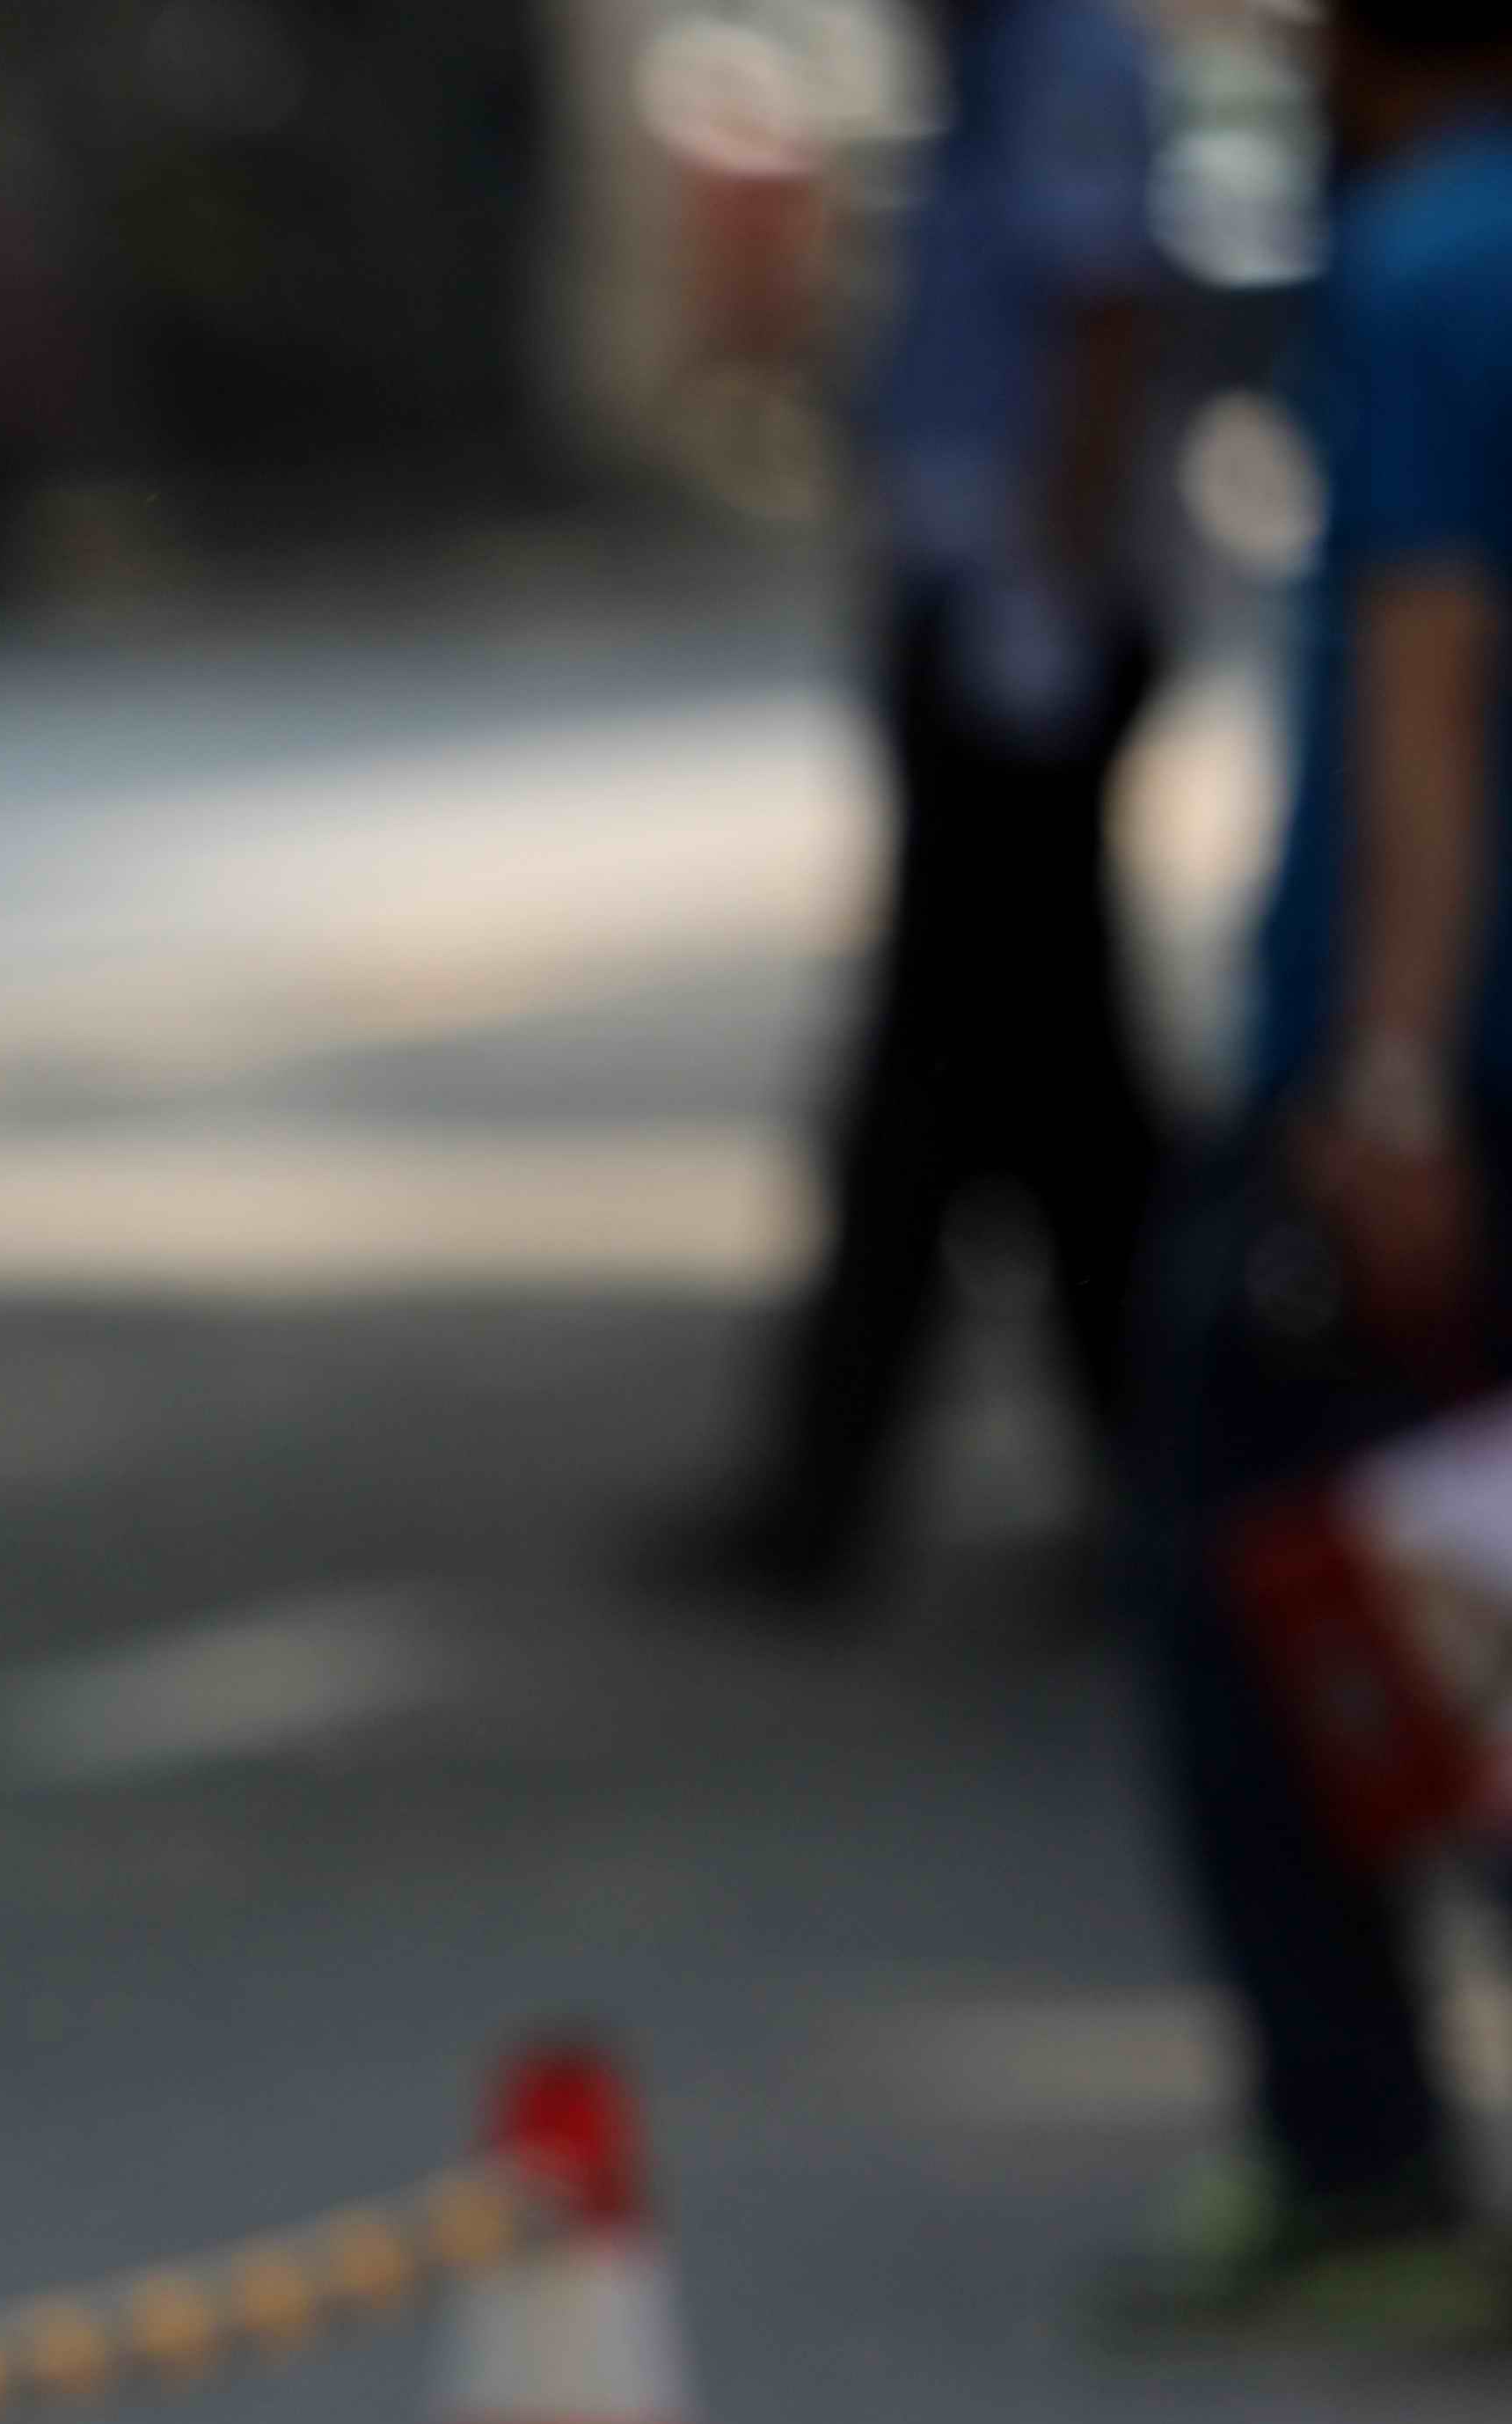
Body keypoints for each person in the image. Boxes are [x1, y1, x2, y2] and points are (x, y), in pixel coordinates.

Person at [1114, 0, 1512, 2340]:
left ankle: (1357, 2154)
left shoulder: (1433, 261)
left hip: (1439, 1064)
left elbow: (1430, 673)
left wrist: (1381, 1075)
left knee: (1241, 1574)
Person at [666, 0, 1178, 1613]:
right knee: (1008, 1077)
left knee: (1003, 1076)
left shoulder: (1073, 55)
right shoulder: (973, 68)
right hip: (973, 607)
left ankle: (880, 1481)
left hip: (1023, 626)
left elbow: (1103, 313)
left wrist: (1049, 581)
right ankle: (928, 1475)